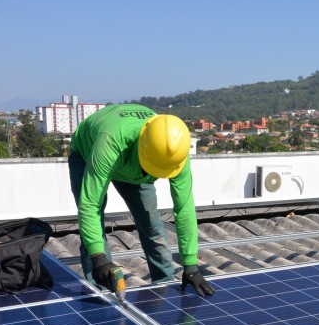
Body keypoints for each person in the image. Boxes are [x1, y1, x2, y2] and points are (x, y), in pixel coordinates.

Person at [68, 103, 215, 297]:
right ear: (143, 148)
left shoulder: (176, 152)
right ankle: (101, 292)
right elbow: (90, 205)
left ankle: (164, 289)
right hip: (87, 153)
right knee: (94, 235)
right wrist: (98, 257)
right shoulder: (112, 140)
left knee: (152, 226)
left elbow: (184, 208)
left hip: (132, 164)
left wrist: (191, 265)